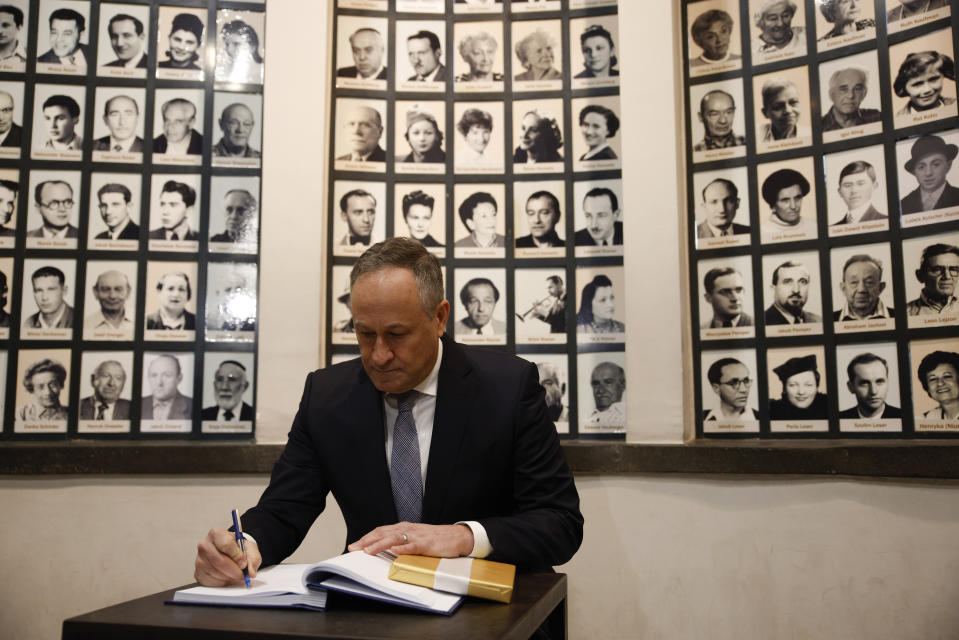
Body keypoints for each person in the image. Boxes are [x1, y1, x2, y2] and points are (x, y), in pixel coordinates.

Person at [193, 238, 582, 584]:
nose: (378, 355)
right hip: (375, 610)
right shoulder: (327, 396)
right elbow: (284, 508)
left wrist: (463, 536)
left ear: (440, 317)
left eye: (397, 334)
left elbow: (559, 523)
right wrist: (241, 546)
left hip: (490, 611)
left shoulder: (508, 387)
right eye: (364, 334)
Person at [899, 134, 959, 214]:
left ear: (948, 165)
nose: (928, 173)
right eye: (921, 167)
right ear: (914, 172)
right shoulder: (903, 205)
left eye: (936, 164)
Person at [838, 353, 901, 419]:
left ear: (887, 383)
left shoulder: (904, 418)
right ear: (851, 387)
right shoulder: (839, 420)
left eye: (879, 382)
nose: (873, 391)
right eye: (864, 383)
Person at [834, 254, 895, 320]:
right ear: (843, 288)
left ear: (880, 288)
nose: (861, 289)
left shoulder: (903, 318)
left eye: (869, 282)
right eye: (854, 282)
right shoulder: (825, 322)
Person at [893, 51, 956, 115]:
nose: (927, 90)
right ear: (904, 88)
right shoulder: (899, 120)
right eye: (917, 84)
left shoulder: (955, 106)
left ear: (943, 76)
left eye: (933, 79)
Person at [907, 243, 959, 317]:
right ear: (920, 276)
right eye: (937, 269)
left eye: (953, 269)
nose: (947, 276)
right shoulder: (903, 313)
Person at [769, 355, 828, 419]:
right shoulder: (772, 412)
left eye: (808, 385)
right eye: (793, 385)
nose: (801, 392)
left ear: (816, 386)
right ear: (785, 389)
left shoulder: (830, 408)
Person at [764, 260, 822, 324]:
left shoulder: (818, 321)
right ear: (773, 289)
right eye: (788, 282)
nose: (796, 290)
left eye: (802, 282)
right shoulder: (761, 321)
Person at [761, 168, 814, 236]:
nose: (793, 206)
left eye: (797, 198)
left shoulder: (814, 227)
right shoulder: (763, 233)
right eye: (785, 200)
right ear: (773, 206)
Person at [831, 160, 886, 225]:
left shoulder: (885, 222)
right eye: (847, 185)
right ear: (839, 192)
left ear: (874, 186)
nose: (854, 190)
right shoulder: (833, 228)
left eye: (861, 184)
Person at [84, 270, 134, 339]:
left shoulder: (143, 322)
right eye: (105, 289)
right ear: (95, 292)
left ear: (128, 292)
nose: (112, 296)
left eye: (118, 289)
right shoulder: (85, 325)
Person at [141, 354, 192, 419]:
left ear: (179, 378)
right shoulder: (137, 404)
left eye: (167, 375)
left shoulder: (192, 406)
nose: (159, 383)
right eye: (154, 375)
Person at [916, 351, 959, 420]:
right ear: (927, 388)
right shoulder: (925, 419)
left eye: (947, 376)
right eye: (933, 379)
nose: (940, 383)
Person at [585, 362, 625, 427]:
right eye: (596, 384)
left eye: (608, 382)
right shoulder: (587, 419)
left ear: (622, 385)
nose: (601, 390)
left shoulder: (628, 416)